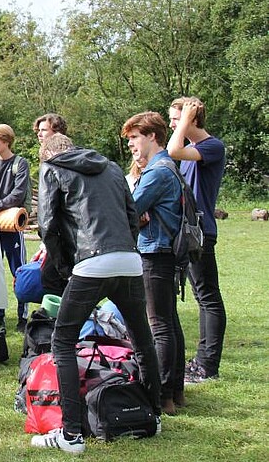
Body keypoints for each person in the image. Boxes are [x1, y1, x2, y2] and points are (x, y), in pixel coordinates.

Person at [32, 133, 161, 454]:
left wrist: (64, 268)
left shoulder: (51, 169)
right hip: (129, 259)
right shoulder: (112, 168)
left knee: (62, 342)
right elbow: (133, 215)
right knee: (142, 338)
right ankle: (153, 415)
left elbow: (47, 225)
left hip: (91, 262)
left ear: (46, 154)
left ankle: (71, 434)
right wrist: (127, 248)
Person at [123, 111, 185, 414]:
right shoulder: (167, 167)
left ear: (152, 136)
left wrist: (138, 212)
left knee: (159, 325)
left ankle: (162, 397)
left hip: (154, 252)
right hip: (164, 251)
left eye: (135, 137)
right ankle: (175, 391)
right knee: (169, 322)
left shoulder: (157, 171)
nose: (132, 144)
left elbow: (130, 209)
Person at [167, 96, 226, 384]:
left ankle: (208, 366)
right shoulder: (192, 150)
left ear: (191, 119)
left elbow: (172, 149)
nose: (171, 124)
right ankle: (200, 362)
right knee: (202, 297)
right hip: (186, 230)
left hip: (201, 232)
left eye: (175, 119)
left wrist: (186, 119)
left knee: (208, 298)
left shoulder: (212, 147)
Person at [0, 124, 30, 332]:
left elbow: (18, 194)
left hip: (11, 225)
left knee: (19, 271)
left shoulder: (20, 164)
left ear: (7, 140)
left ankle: (22, 316)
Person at [32, 113, 70, 297]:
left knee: (52, 279)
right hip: (57, 235)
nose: (39, 134)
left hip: (66, 235)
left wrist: (49, 239)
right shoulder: (45, 162)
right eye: (38, 131)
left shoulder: (64, 162)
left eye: (44, 130)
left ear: (57, 132)